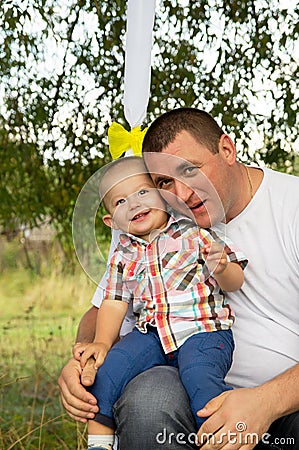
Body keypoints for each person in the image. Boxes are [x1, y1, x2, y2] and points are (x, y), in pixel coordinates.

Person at [59, 108, 299, 449]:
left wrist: (266, 401)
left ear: (227, 150)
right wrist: (83, 356)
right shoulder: (157, 220)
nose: (182, 194)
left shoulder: (291, 207)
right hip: (183, 380)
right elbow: (103, 309)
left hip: (284, 402)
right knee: (148, 401)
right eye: (164, 182)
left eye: (191, 170)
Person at [73, 155, 247, 450]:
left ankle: (219, 439)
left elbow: (236, 282)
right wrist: (102, 343)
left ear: (164, 197)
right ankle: (99, 445)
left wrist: (223, 268)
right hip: (152, 334)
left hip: (203, 331)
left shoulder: (193, 235)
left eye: (143, 192)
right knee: (109, 371)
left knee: (200, 377)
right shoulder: (122, 255)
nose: (135, 204)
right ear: (110, 221)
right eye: (120, 202)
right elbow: (114, 302)